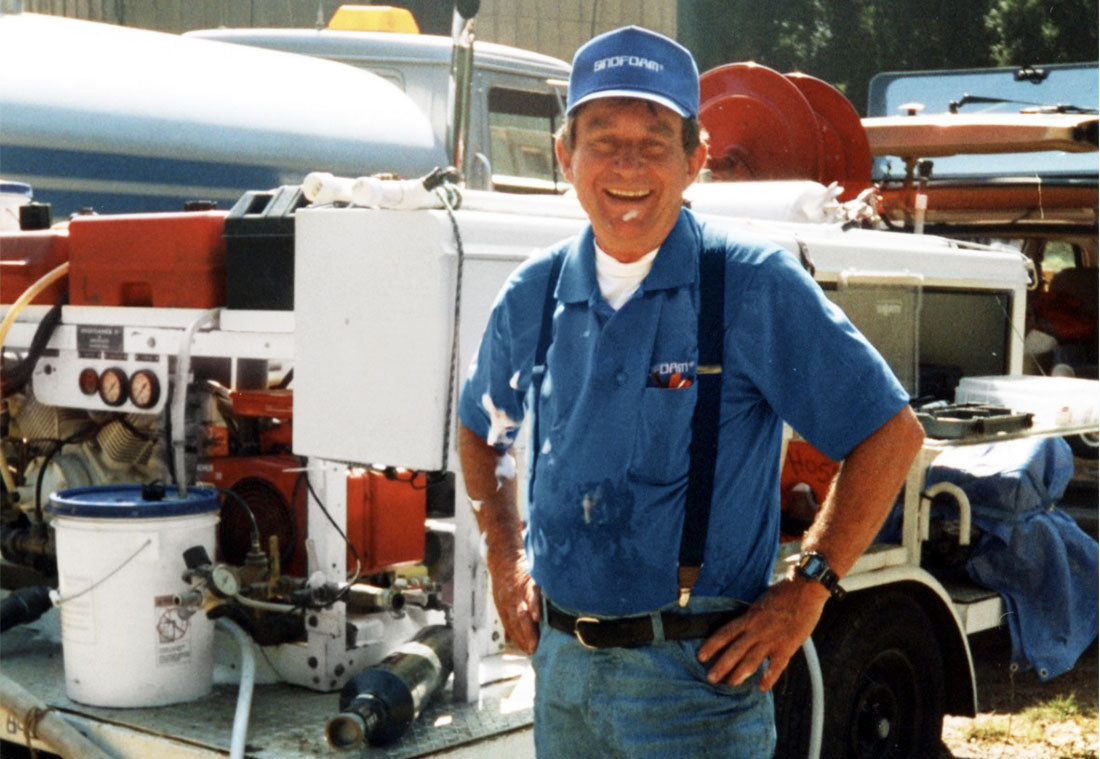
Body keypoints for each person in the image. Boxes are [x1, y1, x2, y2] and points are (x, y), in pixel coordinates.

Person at [457, 25, 925, 758]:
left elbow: (890, 434)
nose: (627, 164)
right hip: (562, 677)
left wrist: (807, 590)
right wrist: (504, 554)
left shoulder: (746, 283)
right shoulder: (534, 291)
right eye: (603, 138)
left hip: (694, 688)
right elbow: (479, 429)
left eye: (655, 141)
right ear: (565, 155)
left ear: (696, 159)